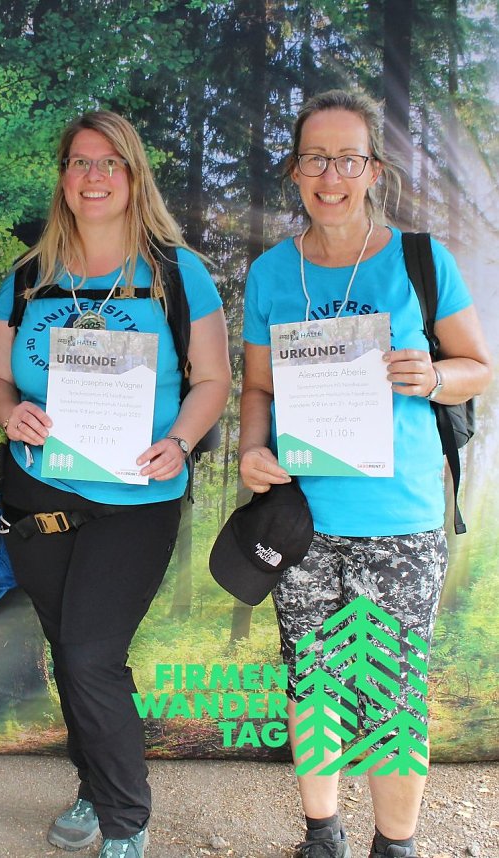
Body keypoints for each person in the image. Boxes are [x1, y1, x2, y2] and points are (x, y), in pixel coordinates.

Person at [239, 89, 491, 858]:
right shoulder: (271, 273)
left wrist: (433, 376)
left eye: (348, 158)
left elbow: (479, 367)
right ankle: (322, 834)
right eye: (315, 157)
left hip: (400, 518)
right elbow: (256, 386)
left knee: (391, 698)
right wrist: (253, 450)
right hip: (302, 519)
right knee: (311, 685)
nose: (331, 175)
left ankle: (396, 844)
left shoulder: (420, 259)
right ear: (294, 169)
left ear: (373, 169)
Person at [0, 111, 231, 858]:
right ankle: (94, 787)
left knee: (91, 653)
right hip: (40, 500)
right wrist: (8, 413)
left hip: (136, 499)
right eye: (80, 161)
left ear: (133, 177)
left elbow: (214, 379)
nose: (93, 176)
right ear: (63, 175)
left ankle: (125, 821)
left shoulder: (178, 273)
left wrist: (181, 440)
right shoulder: (27, 279)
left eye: (110, 163)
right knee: (70, 653)